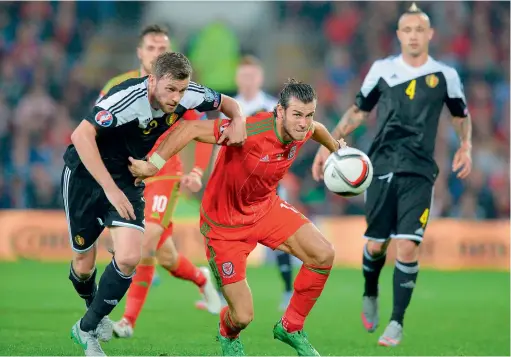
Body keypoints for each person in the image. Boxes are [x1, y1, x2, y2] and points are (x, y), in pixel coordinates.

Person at [128, 79, 346, 356]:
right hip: (223, 225)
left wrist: (335, 147)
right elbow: (190, 127)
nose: (304, 123)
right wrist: (152, 165)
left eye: (309, 114)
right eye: (297, 115)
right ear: (280, 111)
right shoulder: (250, 130)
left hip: (265, 209)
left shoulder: (303, 129)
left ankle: (291, 327)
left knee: (324, 254)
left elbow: (318, 130)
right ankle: (227, 333)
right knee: (242, 316)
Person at [63, 51, 246, 356]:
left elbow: (229, 104)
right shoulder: (126, 99)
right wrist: (109, 189)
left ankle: (86, 328)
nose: (176, 98)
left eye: (182, 90)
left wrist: (238, 118)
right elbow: (80, 135)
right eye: (170, 90)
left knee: (131, 256)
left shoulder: (188, 95)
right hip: (85, 175)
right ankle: (95, 308)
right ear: (152, 81)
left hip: (128, 176)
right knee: (83, 266)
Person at [312, 3, 472, 347]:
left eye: (420, 30)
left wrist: (466, 145)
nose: (414, 35)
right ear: (399, 35)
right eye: (408, 30)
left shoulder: (445, 75)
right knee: (375, 245)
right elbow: (358, 112)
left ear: (430, 34)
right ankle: (370, 291)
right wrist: (328, 145)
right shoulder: (382, 70)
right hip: (381, 165)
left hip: (419, 170)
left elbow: (460, 114)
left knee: (409, 246)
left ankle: (396, 322)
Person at [96, 24, 222, 340]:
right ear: (140, 52)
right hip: (130, 174)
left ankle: (125, 321)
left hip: (164, 170)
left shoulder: (178, 89)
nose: (156, 53)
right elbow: (99, 125)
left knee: (145, 241)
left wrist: (196, 172)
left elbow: (202, 128)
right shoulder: (119, 85)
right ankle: (201, 278)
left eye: (162, 49)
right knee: (165, 255)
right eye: (151, 48)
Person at [197, 55, 294, 312]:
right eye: (244, 75)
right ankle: (219, 294)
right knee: (224, 240)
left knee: (280, 237)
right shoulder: (231, 107)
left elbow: (287, 143)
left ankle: (287, 290)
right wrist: (212, 177)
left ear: (260, 77)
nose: (248, 80)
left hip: (267, 185)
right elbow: (220, 144)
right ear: (237, 78)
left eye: (253, 75)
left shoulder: (273, 106)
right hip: (233, 188)